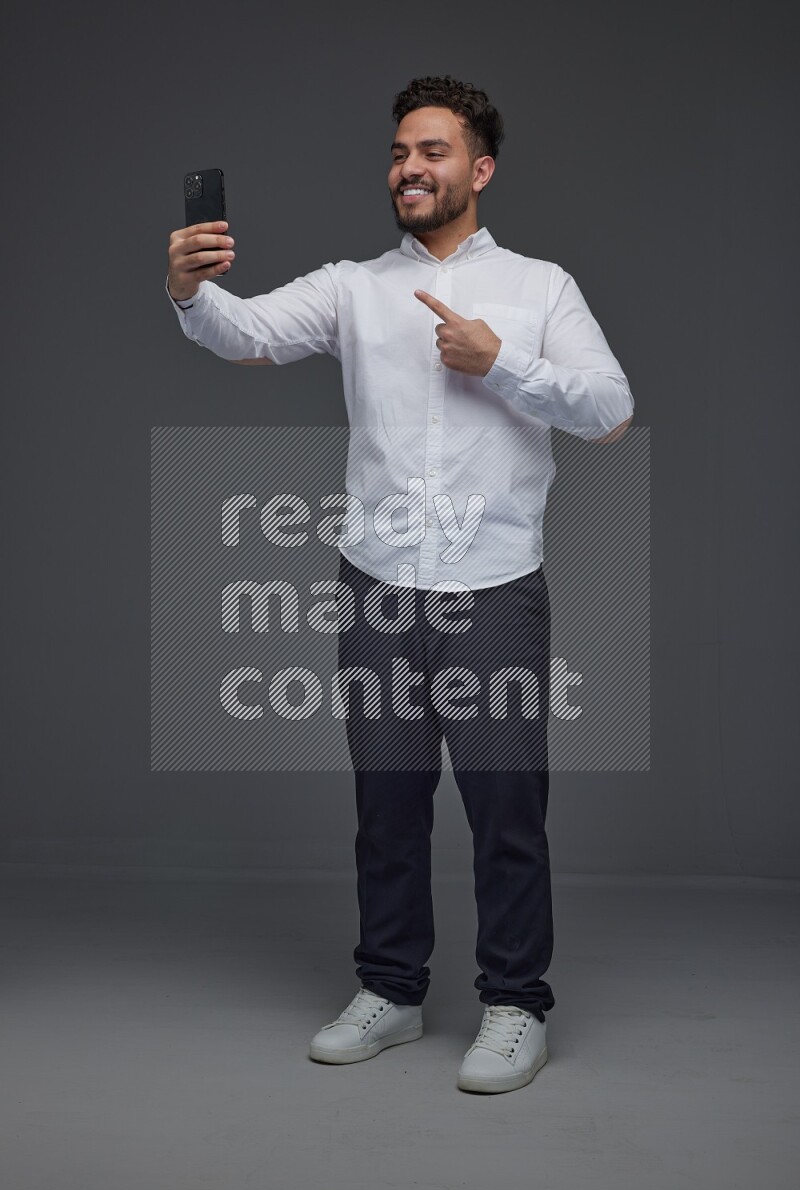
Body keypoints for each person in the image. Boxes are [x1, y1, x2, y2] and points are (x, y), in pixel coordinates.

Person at [165, 74, 634, 1095]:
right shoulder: (353, 287)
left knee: (505, 805)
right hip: (377, 589)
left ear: (479, 167)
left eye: (430, 150)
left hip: (494, 591)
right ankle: (391, 987)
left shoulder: (539, 288)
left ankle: (515, 1005)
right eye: (397, 152)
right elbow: (242, 334)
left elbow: (607, 407)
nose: (408, 168)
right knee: (387, 805)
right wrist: (190, 291)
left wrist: (499, 359)